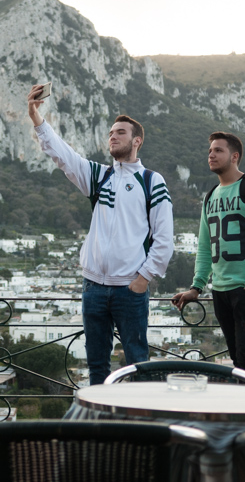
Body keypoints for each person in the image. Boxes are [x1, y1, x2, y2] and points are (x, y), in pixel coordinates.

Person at [27, 84, 174, 385]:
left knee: (136, 363)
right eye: (110, 132)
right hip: (93, 287)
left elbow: (164, 237)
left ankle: (138, 426)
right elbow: (62, 155)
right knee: (96, 365)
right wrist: (35, 116)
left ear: (137, 140)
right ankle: (101, 426)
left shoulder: (151, 181)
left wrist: (143, 279)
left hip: (129, 290)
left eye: (120, 132)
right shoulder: (100, 176)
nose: (112, 136)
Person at [172, 132, 245, 379]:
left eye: (218, 150)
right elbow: (206, 246)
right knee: (238, 360)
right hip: (221, 290)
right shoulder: (210, 196)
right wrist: (196, 287)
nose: (211, 154)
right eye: (210, 150)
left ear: (235, 156)